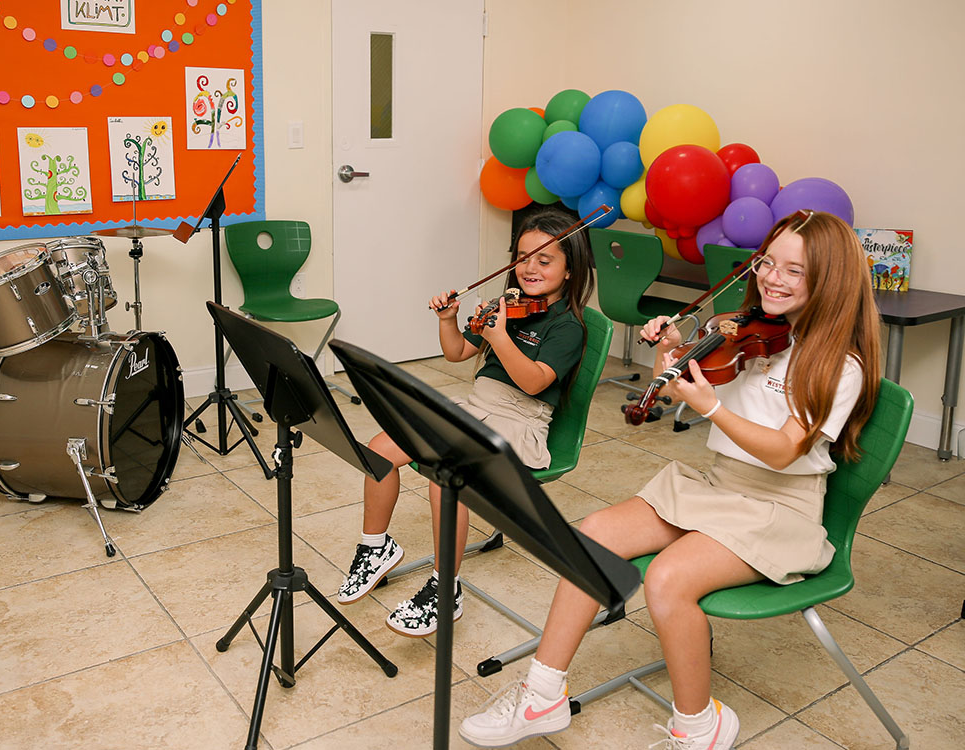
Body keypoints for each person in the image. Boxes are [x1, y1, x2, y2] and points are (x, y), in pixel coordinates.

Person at [457, 209, 881, 749]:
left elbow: (782, 451)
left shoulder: (840, 365)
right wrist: (672, 354)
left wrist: (712, 408)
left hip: (778, 509)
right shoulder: (747, 335)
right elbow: (701, 379)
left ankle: (699, 727)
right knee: (591, 535)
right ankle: (542, 696)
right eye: (768, 262)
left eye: (794, 271)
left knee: (667, 580)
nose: (772, 278)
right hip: (718, 484)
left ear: (831, 280)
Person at [336, 208, 596, 637]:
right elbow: (456, 352)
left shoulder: (568, 327)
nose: (530, 267)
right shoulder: (507, 307)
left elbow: (533, 384)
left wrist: (500, 338)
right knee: (380, 448)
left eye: (544, 260)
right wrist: (448, 321)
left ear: (571, 271)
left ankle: (445, 589)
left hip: (519, 422)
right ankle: (375, 548)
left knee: (446, 476)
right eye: (523, 257)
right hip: (476, 407)